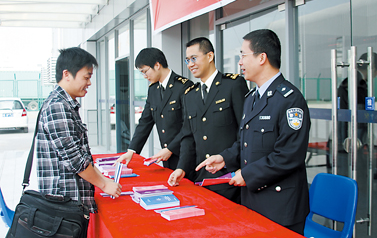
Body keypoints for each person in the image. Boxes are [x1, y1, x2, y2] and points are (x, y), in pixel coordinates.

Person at [196, 29, 310, 235]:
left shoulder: (290, 99)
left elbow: (289, 155)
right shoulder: (251, 98)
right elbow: (244, 143)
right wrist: (224, 158)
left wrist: (247, 174)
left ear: (262, 58)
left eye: (243, 55)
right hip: (253, 201)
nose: (240, 62)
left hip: (280, 207)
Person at [36, 47, 122, 237]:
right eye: (86, 77)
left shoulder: (66, 104)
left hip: (69, 205)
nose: (89, 83)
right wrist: (105, 184)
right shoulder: (58, 106)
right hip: (63, 207)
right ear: (67, 74)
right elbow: (75, 159)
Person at [168, 37, 249, 203]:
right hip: (201, 179)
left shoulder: (232, 85)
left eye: (194, 58)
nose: (190, 64)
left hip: (229, 178)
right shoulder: (190, 95)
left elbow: (245, 132)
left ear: (210, 56)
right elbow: (188, 136)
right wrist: (181, 168)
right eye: (187, 60)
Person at [115, 48, 193, 170]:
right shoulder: (153, 89)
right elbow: (145, 121)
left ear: (157, 65)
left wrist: (171, 149)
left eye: (145, 71)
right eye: (141, 73)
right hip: (167, 157)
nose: (144, 76)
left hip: (185, 156)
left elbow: (189, 125)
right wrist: (131, 150)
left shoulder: (183, 86)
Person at [337, 52, 377, 149]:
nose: (376, 75)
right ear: (372, 67)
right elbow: (360, 114)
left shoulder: (349, 81)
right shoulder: (358, 84)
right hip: (352, 132)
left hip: (345, 131)